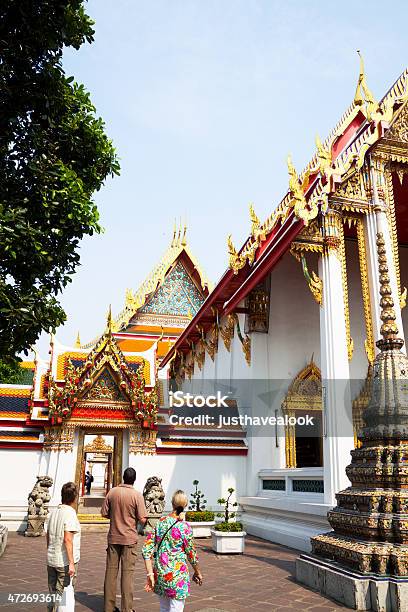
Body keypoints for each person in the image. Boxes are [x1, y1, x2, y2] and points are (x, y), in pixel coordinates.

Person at [142, 490, 203, 612]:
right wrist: (198, 572)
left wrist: (150, 574)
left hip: (161, 574)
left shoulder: (160, 522)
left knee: (164, 608)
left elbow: (146, 550)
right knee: (176, 609)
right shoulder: (184, 527)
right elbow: (191, 554)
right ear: (185, 505)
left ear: (172, 504)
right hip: (177, 577)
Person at [101, 467, 147, 612]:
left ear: (123, 477)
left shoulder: (112, 492)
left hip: (113, 537)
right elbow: (142, 518)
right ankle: (127, 609)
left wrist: (115, 517)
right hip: (129, 539)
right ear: (134, 479)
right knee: (127, 575)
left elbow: (104, 513)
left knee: (110, 573)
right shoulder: (137, 495)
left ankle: (108, 608)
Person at [46, 482, 81, 612]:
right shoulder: (70, 513)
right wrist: (71, 563)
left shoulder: (53, 512)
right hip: (64, 562)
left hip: (51, 559)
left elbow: (48, 536)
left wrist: (50, 550)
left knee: (53, 593)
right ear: (74, 498)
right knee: (63, 596)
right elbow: (68, 539)